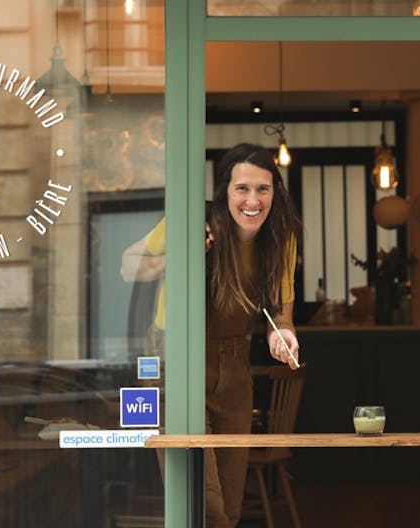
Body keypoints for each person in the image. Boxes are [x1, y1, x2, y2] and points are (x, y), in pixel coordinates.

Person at [121, 143, 302, 527]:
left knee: (230, 503)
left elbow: (282, 318)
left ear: (275, 192)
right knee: (205, 505)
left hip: (235, 368)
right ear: (225, 191)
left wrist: (280, 335)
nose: (253, 200)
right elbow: (127, 266)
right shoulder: (191, 221)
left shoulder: (281, 238)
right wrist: (181, 254)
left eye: (263, 189)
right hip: (176, 363)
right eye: (242, 189)